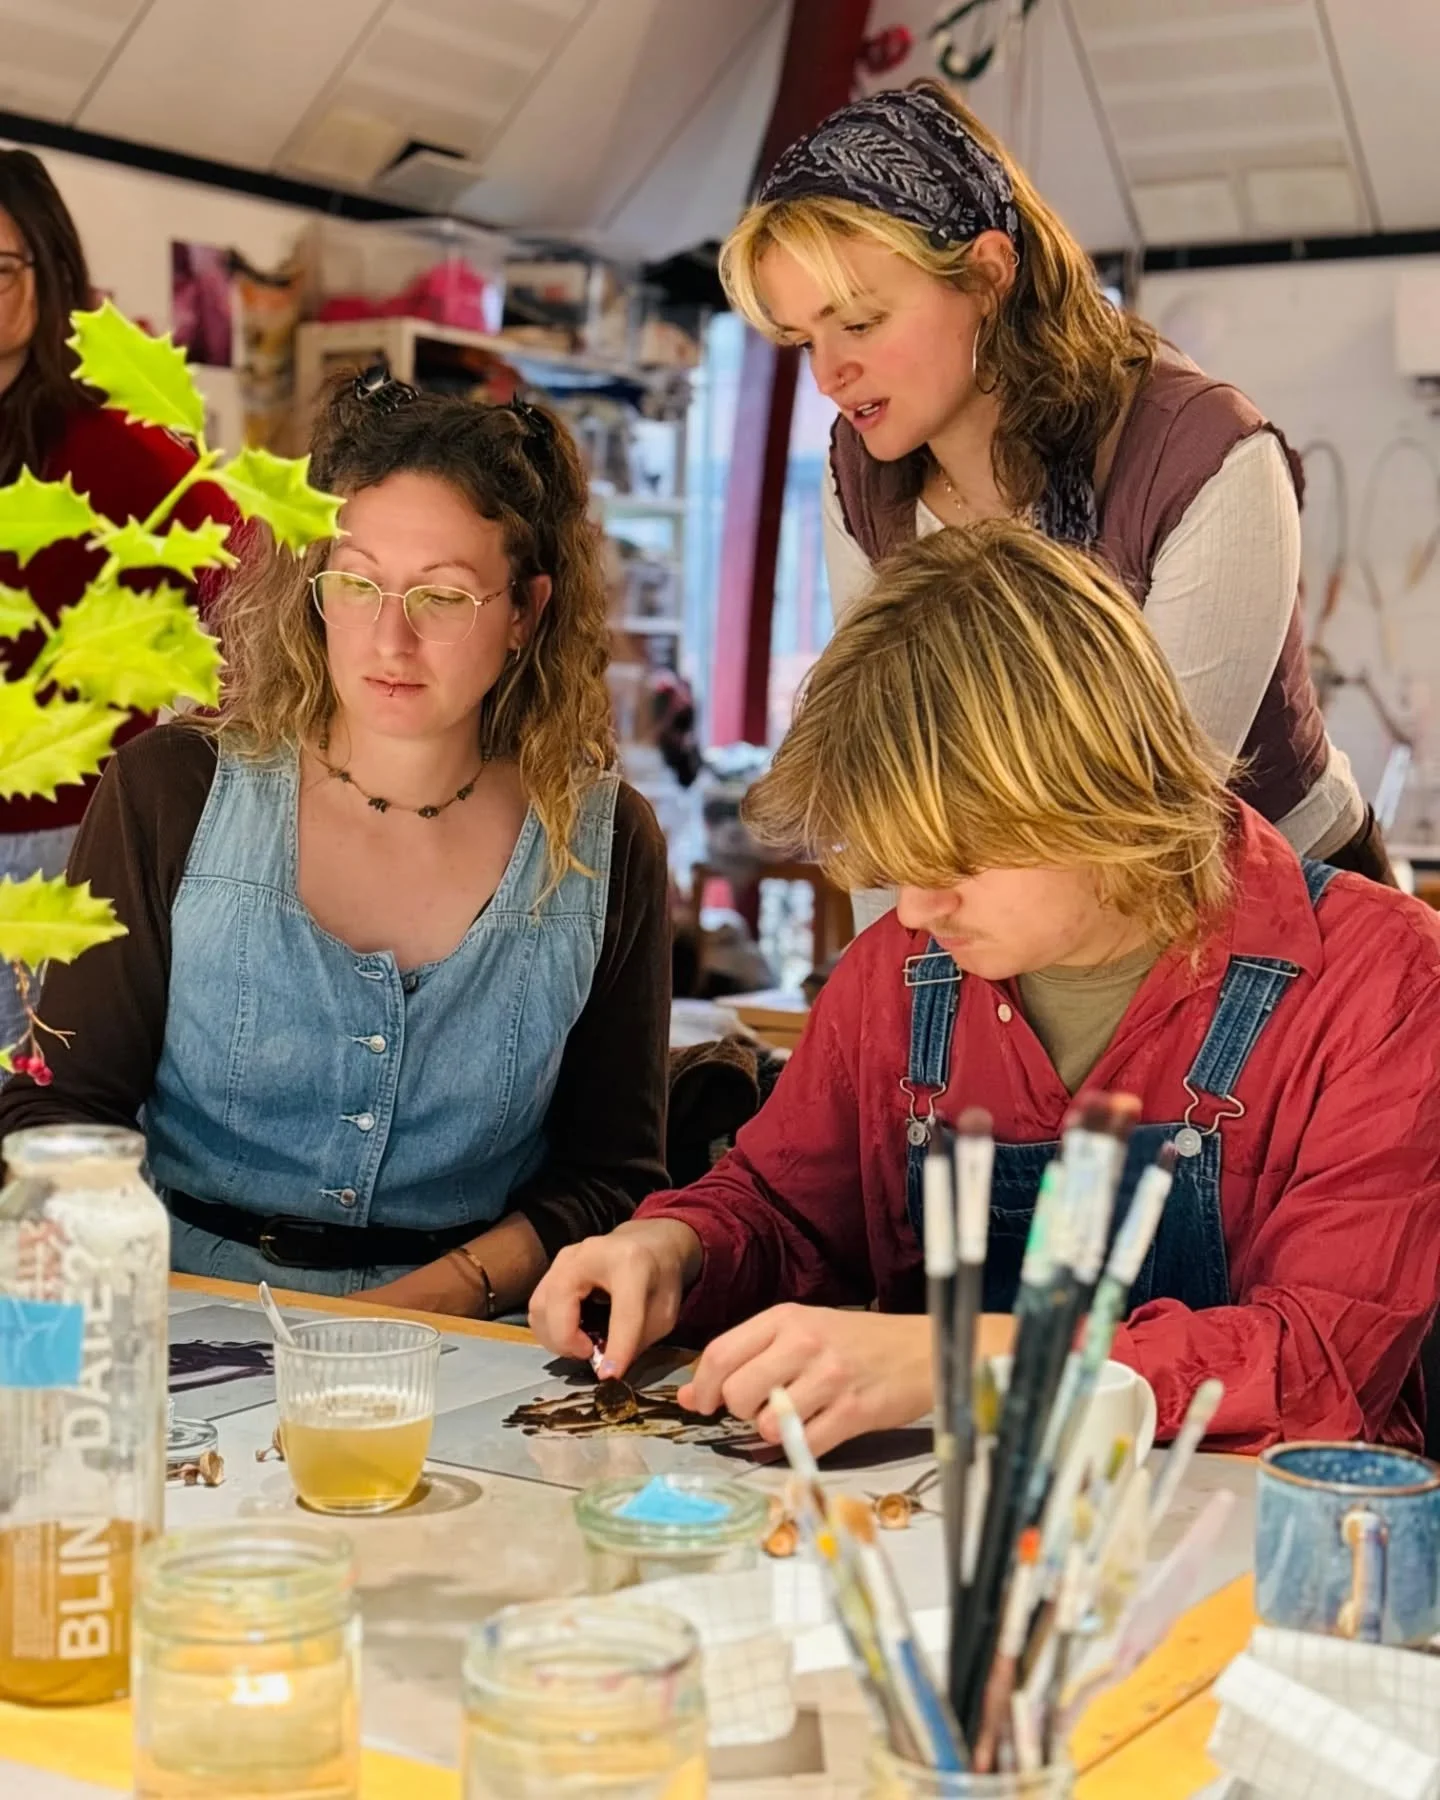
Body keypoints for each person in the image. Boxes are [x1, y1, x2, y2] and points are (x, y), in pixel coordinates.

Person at [529, 522, 1440, 1455]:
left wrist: (958, 1364)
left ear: (1099, 786)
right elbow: (786, 1206)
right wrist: (675, 1250)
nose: (918, 907)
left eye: (958, 857)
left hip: (1248, 1559)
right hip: (937, 1535)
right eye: (900, 863)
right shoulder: (905, 965)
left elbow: (1316, 1367)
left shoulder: (1380, 980)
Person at [0, 373, 672, 1313]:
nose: (389, 638)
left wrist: (437, 1298)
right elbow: (56, 1119)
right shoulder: (172, 790)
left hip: (472, 1342)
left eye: (442, 598)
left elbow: (612, 1175)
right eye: (355, 583)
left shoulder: (607, 841)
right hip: (175, 1316)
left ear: (524, 612)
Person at [716, 83, 1392, 928]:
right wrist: (883, 1010)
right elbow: (884, 778)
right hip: (1036, 928)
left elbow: (1155, 815)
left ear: (990, 274)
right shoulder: (863, 468)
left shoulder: (1203, 454)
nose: (827, 376)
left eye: (859, 323)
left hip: (1277, 901)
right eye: (801, 339)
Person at [0, 148, 236, 1044]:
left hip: (61, 847)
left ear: (51, 271)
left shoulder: (111, 442)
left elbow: (257, 589)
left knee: (37, 1124)